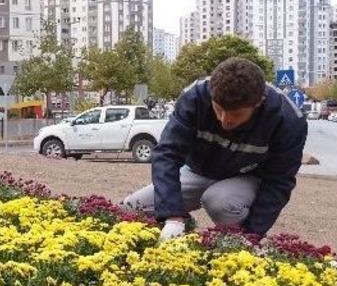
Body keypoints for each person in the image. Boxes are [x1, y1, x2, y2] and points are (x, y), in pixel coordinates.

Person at [122, 57, 308, 242]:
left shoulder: (288, 121)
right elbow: (167, 154)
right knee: (132, 208)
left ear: (257, 103)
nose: (225, 120)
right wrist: (173, 216)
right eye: (218, 109)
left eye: (236, 114)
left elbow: (279, 183)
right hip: (197, 170)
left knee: (219, 201)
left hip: (245, 178)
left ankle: (234, 244)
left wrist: (251, 235)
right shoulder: (195, 97)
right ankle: (186, 228)